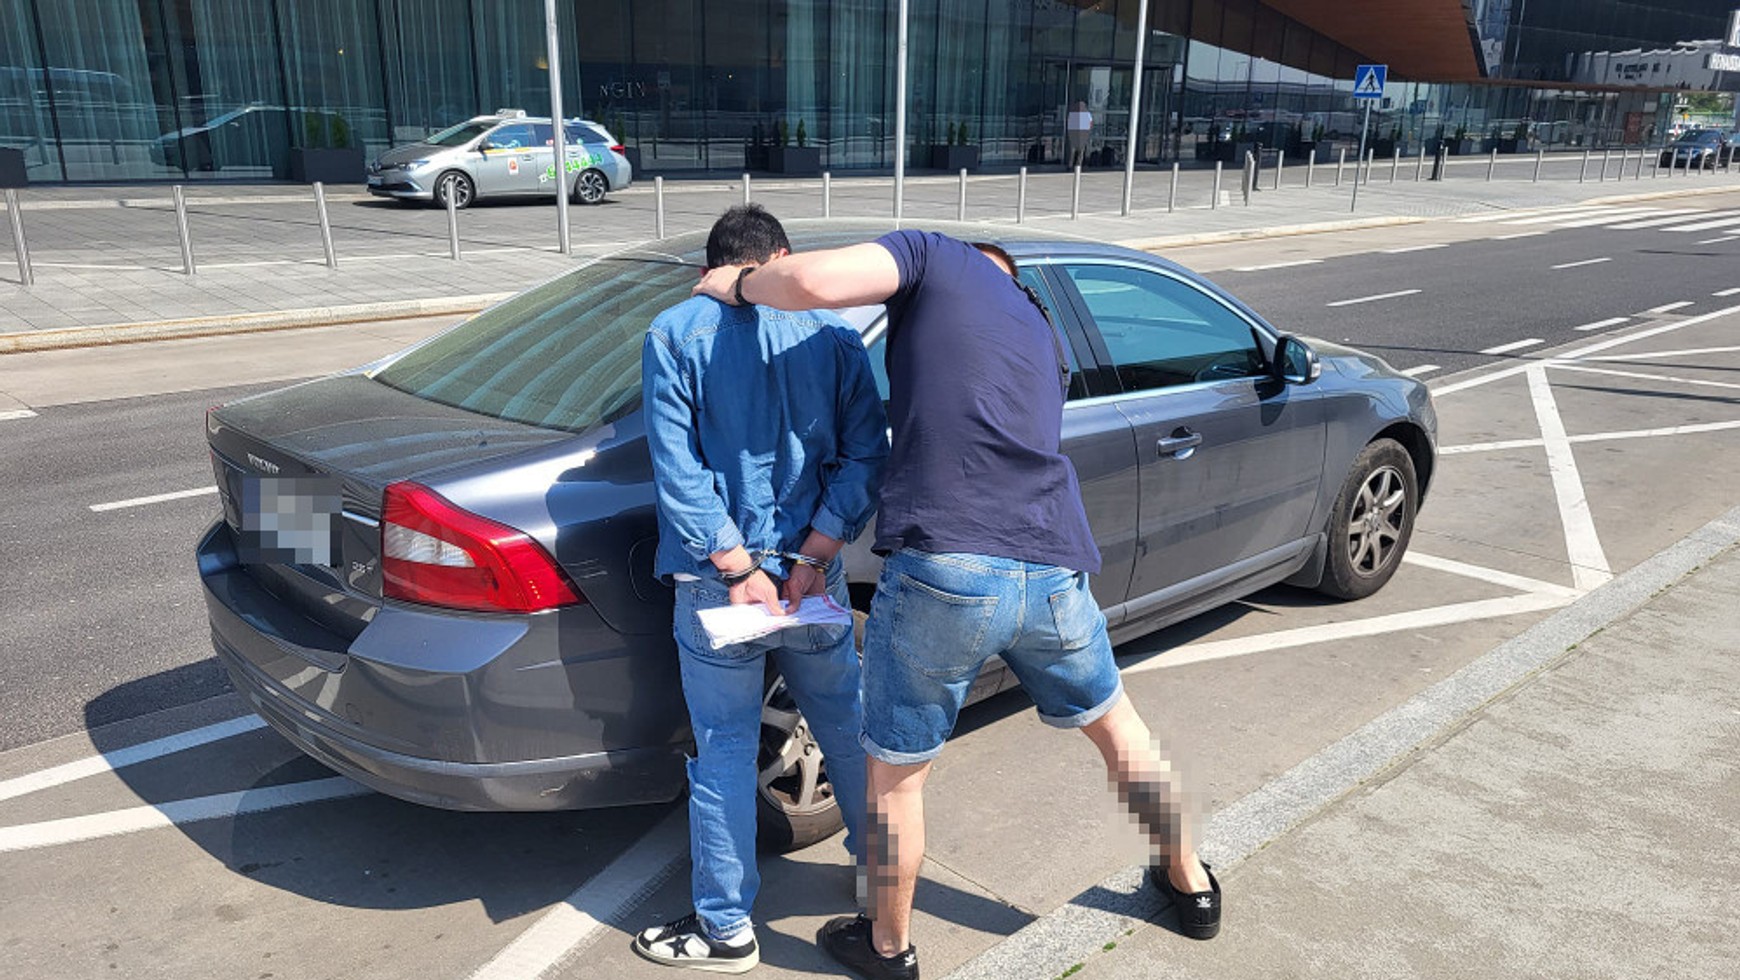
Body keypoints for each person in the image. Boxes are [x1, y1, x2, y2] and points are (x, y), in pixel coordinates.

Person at [693, 231, 1221, 980]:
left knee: (896, 774)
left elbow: (810, 283)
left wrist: (738, 283)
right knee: (1118, 729)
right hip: (1051, 563)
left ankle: (888, 947)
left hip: (948, 562)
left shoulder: (938, 257)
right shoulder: (1040, 328)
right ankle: (1191, 883)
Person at [634, 205, 890, 974]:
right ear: (784, 260)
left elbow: (678, 471)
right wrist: (815, 552)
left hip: (721, 588)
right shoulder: (834, 334)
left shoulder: (675, 333)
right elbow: (865, 455)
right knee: (847, 728)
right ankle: (884, 891)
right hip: (812, 577)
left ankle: (726, 931)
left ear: (708, 272)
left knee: (723, 749)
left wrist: (739, 568)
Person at [1066, 100, 1093, 167]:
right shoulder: (1087, 114)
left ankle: (1070, 165)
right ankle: (1078, 165)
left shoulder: (1073, 113)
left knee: (1073, 151)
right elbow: (1090, 123)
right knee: (1081, 152)